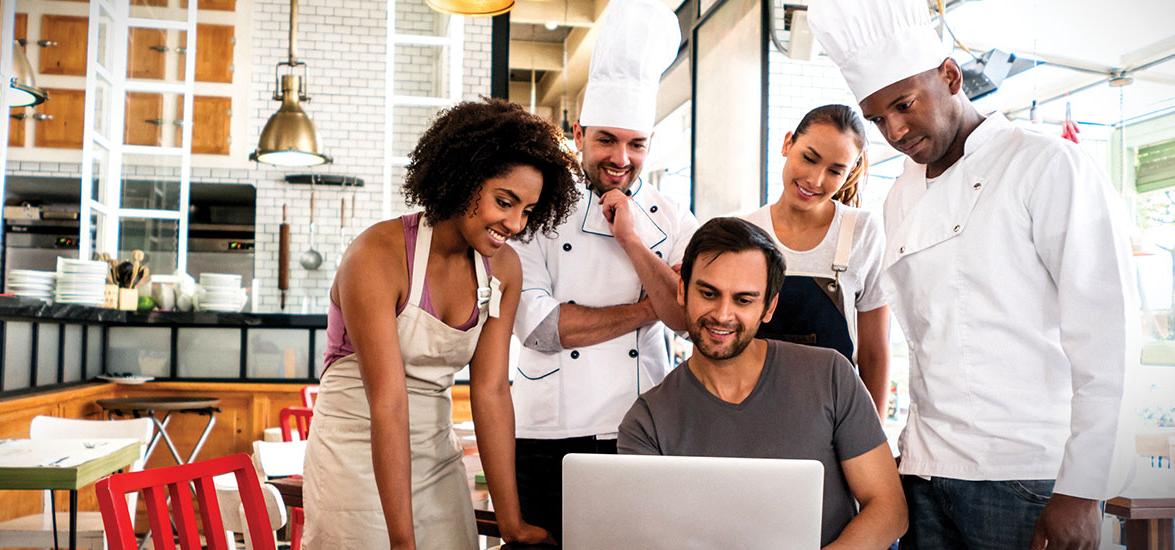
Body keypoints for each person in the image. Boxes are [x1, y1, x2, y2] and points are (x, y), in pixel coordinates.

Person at [809, 1, 1138, 548]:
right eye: (876, 118)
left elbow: (1109, 338)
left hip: (1027, 475)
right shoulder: (901, 195)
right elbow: (927, 342)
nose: (894, 130)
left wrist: (1083, 489)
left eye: (904, 104)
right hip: (924, 473)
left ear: (950, 75)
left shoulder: (1045, 164)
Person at [301, 98, 581, 550]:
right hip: (354, 451)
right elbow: (387, 401)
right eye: (503, 201)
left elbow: (490, 391)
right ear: (464, 179)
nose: (513, 223)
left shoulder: (502, 269)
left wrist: (512, 523)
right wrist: (402, 540)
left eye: (527, 210)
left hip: (435, 452)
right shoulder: (377, 255)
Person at [510, 0, 699, 542]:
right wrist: (650, 307)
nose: (621, 158)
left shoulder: (672, 218)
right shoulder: (536, 211)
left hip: (644, 429)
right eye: (607, 140)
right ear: (578, 131)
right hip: (550, 433)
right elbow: (543, 330)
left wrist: (632, 242)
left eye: (636, 144)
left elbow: (688, 321)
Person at [618, 217, 907, 548]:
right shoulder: (646, 422)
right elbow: (650, 537)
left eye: (743, 300)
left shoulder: (830, 376)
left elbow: (889, 510)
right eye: (709, 293)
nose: (723, 314)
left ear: (769, 307)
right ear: (682, 290)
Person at [741, 104, 890, 417]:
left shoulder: (862, 231)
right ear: (787, 144)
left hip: (835, 417)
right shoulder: (743, 231)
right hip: (749, 411)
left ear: (849, 173)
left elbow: (875, 353)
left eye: (835, 170)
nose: (815, 179)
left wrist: (871, 436)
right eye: (809, 158)